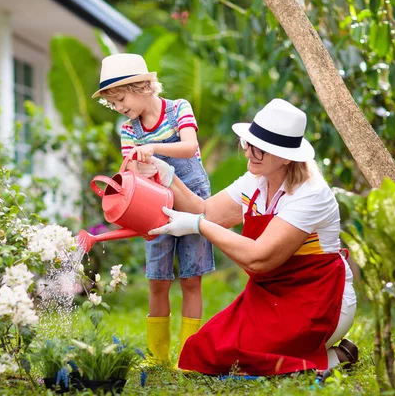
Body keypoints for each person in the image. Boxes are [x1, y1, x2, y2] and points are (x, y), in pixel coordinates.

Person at [148, 98, 358, 376]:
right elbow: (207, 211)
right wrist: (169, 178)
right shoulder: (255, 180)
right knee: (201, 352)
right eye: (249, 144)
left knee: (250, 360)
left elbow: (260, 258)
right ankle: (315, 357)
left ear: (286, 157)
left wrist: (198, 226)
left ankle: (336, 356)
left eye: (261, 149)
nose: (249, 153)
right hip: (267, 297)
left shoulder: (312, 193)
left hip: (319, 301)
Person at [92, 53, 215, 365]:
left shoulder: (178, 109)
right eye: (113, 104)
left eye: (121, 99)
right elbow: (132, 174)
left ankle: (190, 355)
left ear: (143, 86)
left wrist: (154, 148)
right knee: (158, 280)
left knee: (191, 278)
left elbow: (189, 146)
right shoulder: (129, 130)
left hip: (191, 199)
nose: (119, 108)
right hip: (153, 204)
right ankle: (157, 356)